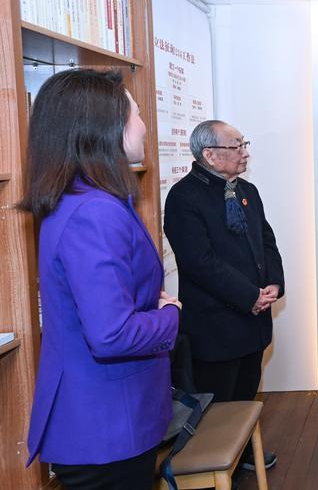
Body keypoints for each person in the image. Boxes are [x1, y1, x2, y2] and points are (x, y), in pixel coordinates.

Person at [23, 69, 181, 489]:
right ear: (104, 127)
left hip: (109, 419)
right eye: (135, 114)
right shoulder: (94, 211)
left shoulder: (83, 200)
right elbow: (112, 334)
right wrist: (170, 314)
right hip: (106, 426)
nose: (144, 125)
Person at [164, 119, 284, 471]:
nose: (245, 153)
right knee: (216, 406)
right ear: (210, 155)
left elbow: (266, 241)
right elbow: (200, 263)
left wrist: (274, 282)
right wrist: (249, 295)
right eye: (236, 146)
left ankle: (242, 452)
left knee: (246, 393)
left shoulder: (247, 190)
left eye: (244, 144)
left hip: (253, 320)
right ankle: (210, 467)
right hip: (215, 325)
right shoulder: (184, 198)